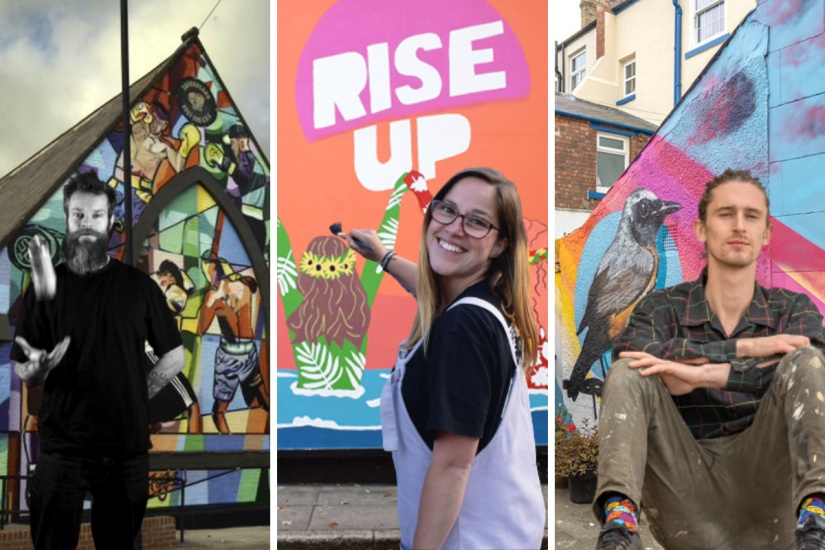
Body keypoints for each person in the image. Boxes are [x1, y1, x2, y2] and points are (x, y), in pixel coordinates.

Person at [594, 169, 825, 550]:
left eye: (751, 216)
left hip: (774, 495)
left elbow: (813, 364)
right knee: (629, 372)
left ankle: (817, 516)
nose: (739, 225)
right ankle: (619, 526)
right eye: (725, 214)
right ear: (701, 229)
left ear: (766, 234)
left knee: (806, 362)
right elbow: (634, 355)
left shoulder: (792, 310)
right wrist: (746, 350)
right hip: (686, 490)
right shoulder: (661, 308)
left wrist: (704, 372)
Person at [343, 167, 546, 549]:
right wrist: (383, 257)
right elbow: (431, 290)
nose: (454, 228)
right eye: (447, 210)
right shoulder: (489, 304)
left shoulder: (463, 327)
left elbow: (453, 465)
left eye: (476, 222)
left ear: (500, 244)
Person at [11, 171, 185, 549]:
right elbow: (22, 367)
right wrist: (35, 370)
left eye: (95, 216)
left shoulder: (139, 287)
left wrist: (143, 389)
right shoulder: (44, 290)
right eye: (78, 216)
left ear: (110, 223)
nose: (86, 225)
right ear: (67, 218)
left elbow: (175, 354)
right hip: (61, 451)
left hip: (126, 451)